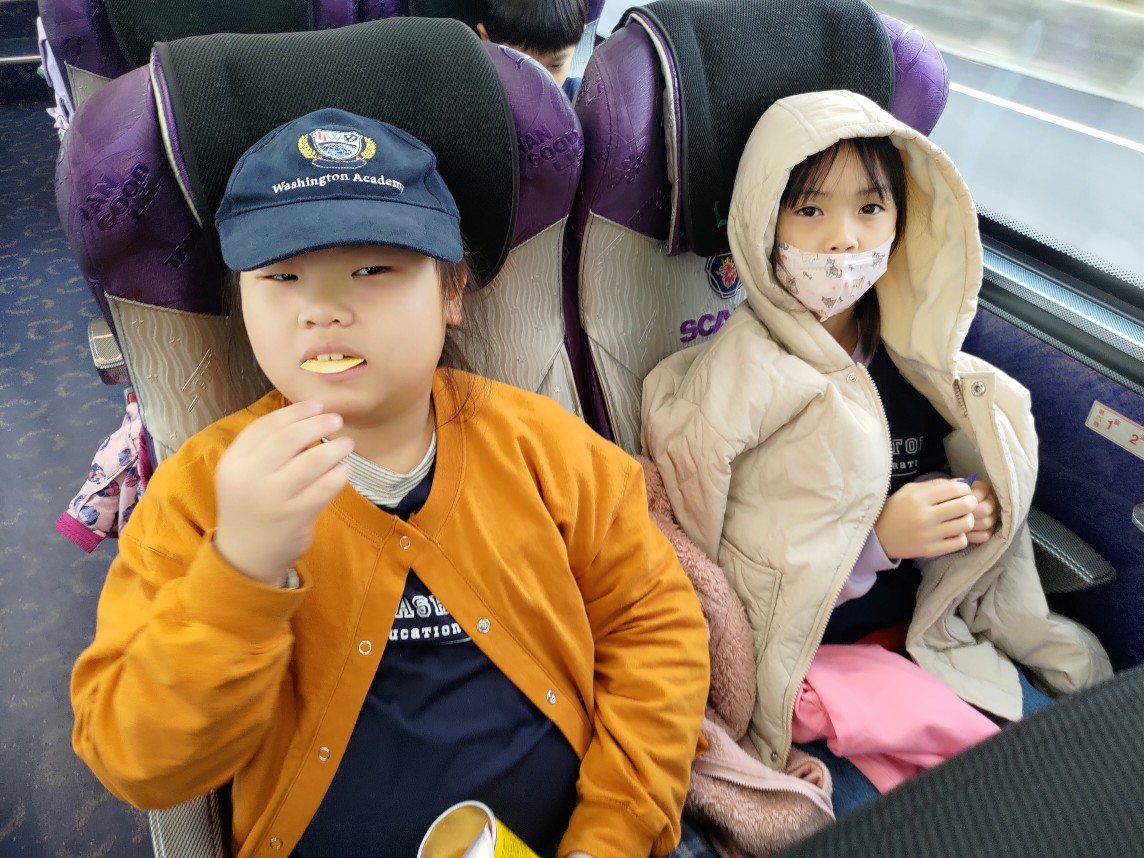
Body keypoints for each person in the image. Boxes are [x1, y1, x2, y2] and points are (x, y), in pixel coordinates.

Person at [70, 108, 710, 857]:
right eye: (281, 277)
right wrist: (239, 572)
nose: (322, 310)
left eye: (372, 270)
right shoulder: (201, 492)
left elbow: (654, 632)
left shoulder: (549, 451)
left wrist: (615, 831)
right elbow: (135, 760)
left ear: (451, 291)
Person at [641, 90, 1111, 815]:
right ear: (763, 224)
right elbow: (723, 581)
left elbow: (929, 492)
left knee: (1080, 774)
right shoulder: (733, 384)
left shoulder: (914, 365)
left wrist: (966, 513)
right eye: (809, 210)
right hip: (811, 667)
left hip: (925, 638)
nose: (842, 240)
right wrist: (876, 543)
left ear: (902, 219)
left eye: (869, 208)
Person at [475, 0, 587, 100]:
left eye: (555, 66)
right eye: (520, 66)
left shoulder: (581, 99)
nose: (539, 86)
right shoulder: (475, 98)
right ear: (486, 39)